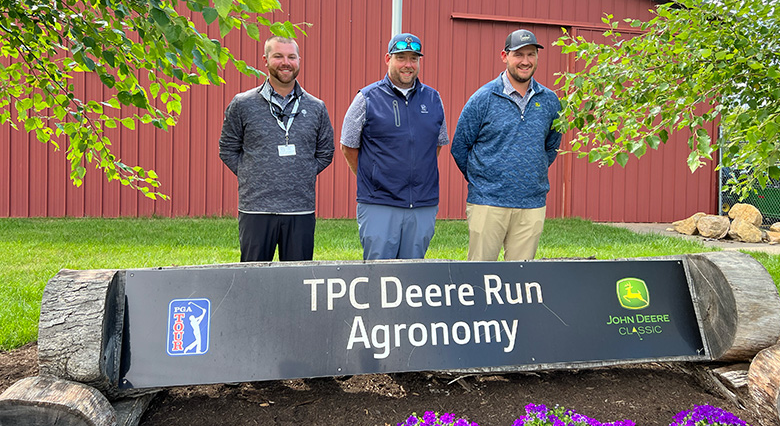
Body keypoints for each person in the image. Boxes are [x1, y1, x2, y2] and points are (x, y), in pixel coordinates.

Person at [219, 36, 334, 262]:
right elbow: (227, 148)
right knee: (253, 279)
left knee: (297, 281)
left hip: (300, 209)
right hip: (256, 209)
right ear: (265, 60)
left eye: (291, 57)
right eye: (278, 56)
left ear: (299, 60)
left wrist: (303, 172)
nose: (285, 62)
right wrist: (251, 172)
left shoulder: (316, 107)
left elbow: (325, 152)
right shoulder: (243, 104)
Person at [450, 29, 562, 261]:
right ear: (505, 56)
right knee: (479, 278)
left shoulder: (550, 100)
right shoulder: (484, 98)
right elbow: (460, 145)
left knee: (521, 280)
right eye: (518, 54)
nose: (525, 61)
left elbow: (551, 146)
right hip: (488, 202)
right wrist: (482, 179)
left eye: (531, 55)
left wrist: (531, 171)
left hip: (531, 203)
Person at [340, 33, 449, 259]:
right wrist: (372, 177)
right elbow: (348, 145)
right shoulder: (367, 98)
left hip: (422, 204)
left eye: (413, 59)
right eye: (401, 58)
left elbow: (436, 146)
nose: (408, 65)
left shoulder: (433, 99)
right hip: (380, 203)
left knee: (413, 276)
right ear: (388, 58)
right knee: (379, 273)